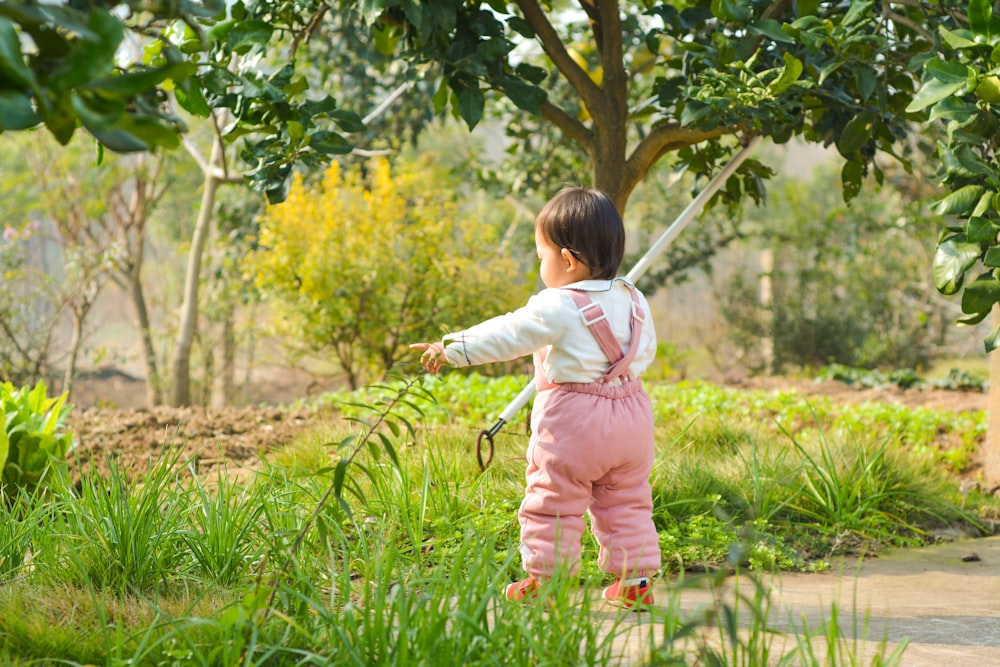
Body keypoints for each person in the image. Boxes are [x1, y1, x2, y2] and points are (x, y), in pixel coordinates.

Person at [409, 187, 661, 608]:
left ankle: (549, 581)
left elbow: (508, 333)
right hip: (632, 415)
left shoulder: (558, 304)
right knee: (627, 501)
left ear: (567, 260)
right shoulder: (634, 298)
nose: (540, 263)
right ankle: (634, 584)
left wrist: (451, 348)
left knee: (554, 501)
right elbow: (645, 351)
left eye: (540, 254)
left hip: (575, 423)